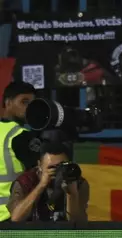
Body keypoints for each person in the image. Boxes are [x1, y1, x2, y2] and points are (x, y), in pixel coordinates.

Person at [7, 142, 89, 222]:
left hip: (63, 234)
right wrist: (41, 185)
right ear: (39, 165)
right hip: (32, 233)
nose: (58, 171)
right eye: (51, 167)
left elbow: (78, 225)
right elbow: (16, 218)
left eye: (62, 166)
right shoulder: (25, 182)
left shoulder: (78, 182)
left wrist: (72, 194)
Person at [0, 81, 41, 222]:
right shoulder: (21, 135)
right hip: (13, 215)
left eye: (32, 103)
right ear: (8, 102)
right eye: (24, 102)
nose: (29, 108)